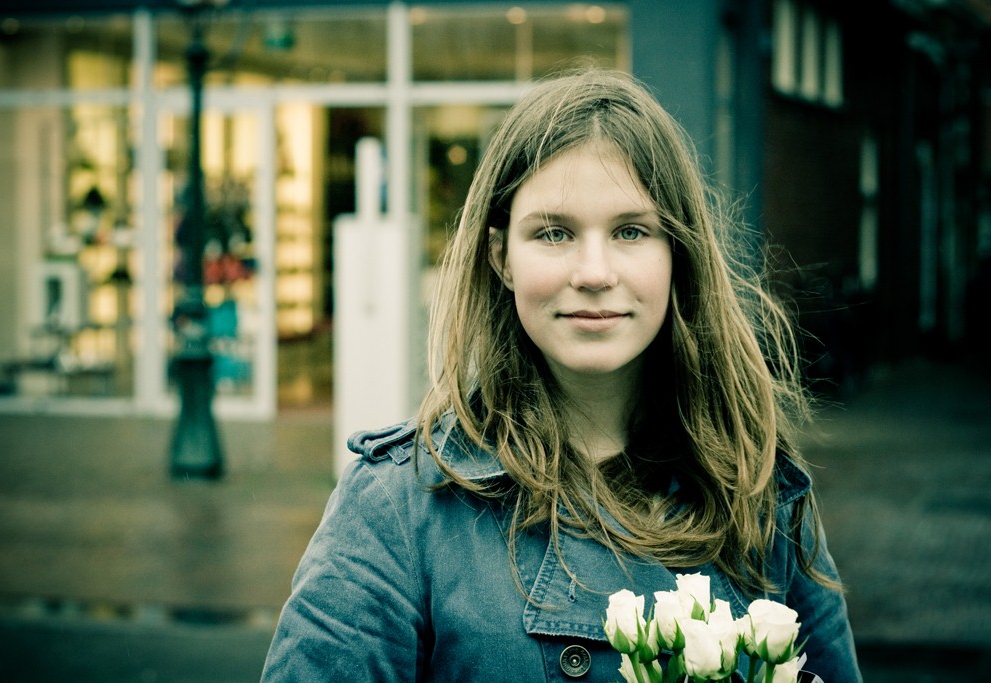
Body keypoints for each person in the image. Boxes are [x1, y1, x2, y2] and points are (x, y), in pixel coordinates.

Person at [261, 68, 862, 683]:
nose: (594, 271)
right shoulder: (399, 505)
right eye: (554, 233)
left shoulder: (759, 487)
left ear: (676, 254)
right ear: (501, 257)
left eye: (631, 231)